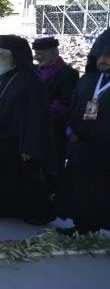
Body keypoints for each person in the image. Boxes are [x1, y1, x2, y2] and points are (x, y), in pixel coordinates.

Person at [0, 35, 55, 225]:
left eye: (2, 55)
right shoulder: (1, 77)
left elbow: (36, 118)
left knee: (23, 179)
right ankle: (0, 209)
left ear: (16, 56)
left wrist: (30, 146)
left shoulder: (31, 82)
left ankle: (34, 213)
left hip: (18, 141)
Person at [55, 28, 110, 235]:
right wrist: (74, 130)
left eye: (108, 56)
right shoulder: (89, 81)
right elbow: (74, 106)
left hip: (104, 148)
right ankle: (84, 225)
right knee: (82, 188)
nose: (103, 60)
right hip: (83, 146)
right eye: (101, 56)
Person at [32, 36, 79, 191]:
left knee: (51, 167)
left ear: (53, 53)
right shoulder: (36, 70)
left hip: (54, 130)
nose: (37, 57)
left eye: (40, 53)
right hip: (36, 129)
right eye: (36, 53)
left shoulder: (68, 73)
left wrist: (41, 116)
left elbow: (64, 102)